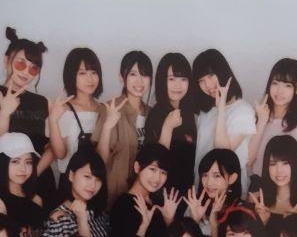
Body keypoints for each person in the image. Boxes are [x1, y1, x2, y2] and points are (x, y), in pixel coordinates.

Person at [0, 26, 56, 205]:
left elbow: (53, 147)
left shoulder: (42, 102)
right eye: (21, 63)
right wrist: (5, 113)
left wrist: (32, 174)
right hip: (8, 186)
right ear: (7, 60)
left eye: (33, 68)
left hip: (41, 179)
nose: (26, 72)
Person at [31, 145, 111, 237]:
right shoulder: (58, 219)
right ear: (71, 175)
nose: (93, 185)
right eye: (87, 176)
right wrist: (81, 219)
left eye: (98, 180)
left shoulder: (99, 214)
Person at [246, 57, 297, 183]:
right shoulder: (258, 117)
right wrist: (261, 121)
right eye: (275, 83)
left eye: (287, 85)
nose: (280, 91)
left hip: (284, 191)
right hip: (257, 186)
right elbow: (248, 161)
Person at [192, 48, 256, 186]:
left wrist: (221, 109)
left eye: (210, 76)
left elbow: (222, 152)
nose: (207, 85)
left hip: (229, 189)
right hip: (202, 185)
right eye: (201, 80)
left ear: (222, 72)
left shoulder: (243, 111)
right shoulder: (206, 111)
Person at [98, 50, 152, 202]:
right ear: (122, 77)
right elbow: (100, 160)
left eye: (145, 75)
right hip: (113, 195)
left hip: (144, 197)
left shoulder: (152, 113)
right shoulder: (109, 108)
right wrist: (107, 127)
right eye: (133, 74)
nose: (140, 81)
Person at [108, 142, 179, 237]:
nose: (157, 178)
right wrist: (143, 226)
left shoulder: (158, 203)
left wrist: (169, 221)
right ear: (137, 167)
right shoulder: (124, 204)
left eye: (163, 172)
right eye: (153, 169)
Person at [48, 47, 107, 178]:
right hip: (70, 181)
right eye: (82, 73)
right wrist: (53, 120)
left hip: (97, 180)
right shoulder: (64, 110)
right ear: (71, 75)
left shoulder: (104, 109)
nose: (90, 79)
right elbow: (60, 154)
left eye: (93, 72)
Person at [145, 51, 197, 194]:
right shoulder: (156, 114)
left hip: (187, 189)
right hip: (164, 192)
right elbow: (156, 161)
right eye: (172, 79)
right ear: (162, 81)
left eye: (183, 79)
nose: (178, 86)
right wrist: (168, 127)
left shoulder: (188, 112)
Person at [247, 134, 297, 237]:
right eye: (272, 164)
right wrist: (261, 223)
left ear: (296, 164)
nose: (279, 170)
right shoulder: (256, 199)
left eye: (285, 163)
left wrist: (292, 221)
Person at [184, 147, 246, 237]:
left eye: (217, 176)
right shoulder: (195, 204)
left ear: (232, 178)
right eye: (205, 175)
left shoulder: (240, 210)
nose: (209, 182)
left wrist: (214, 223)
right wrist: (195, 220)